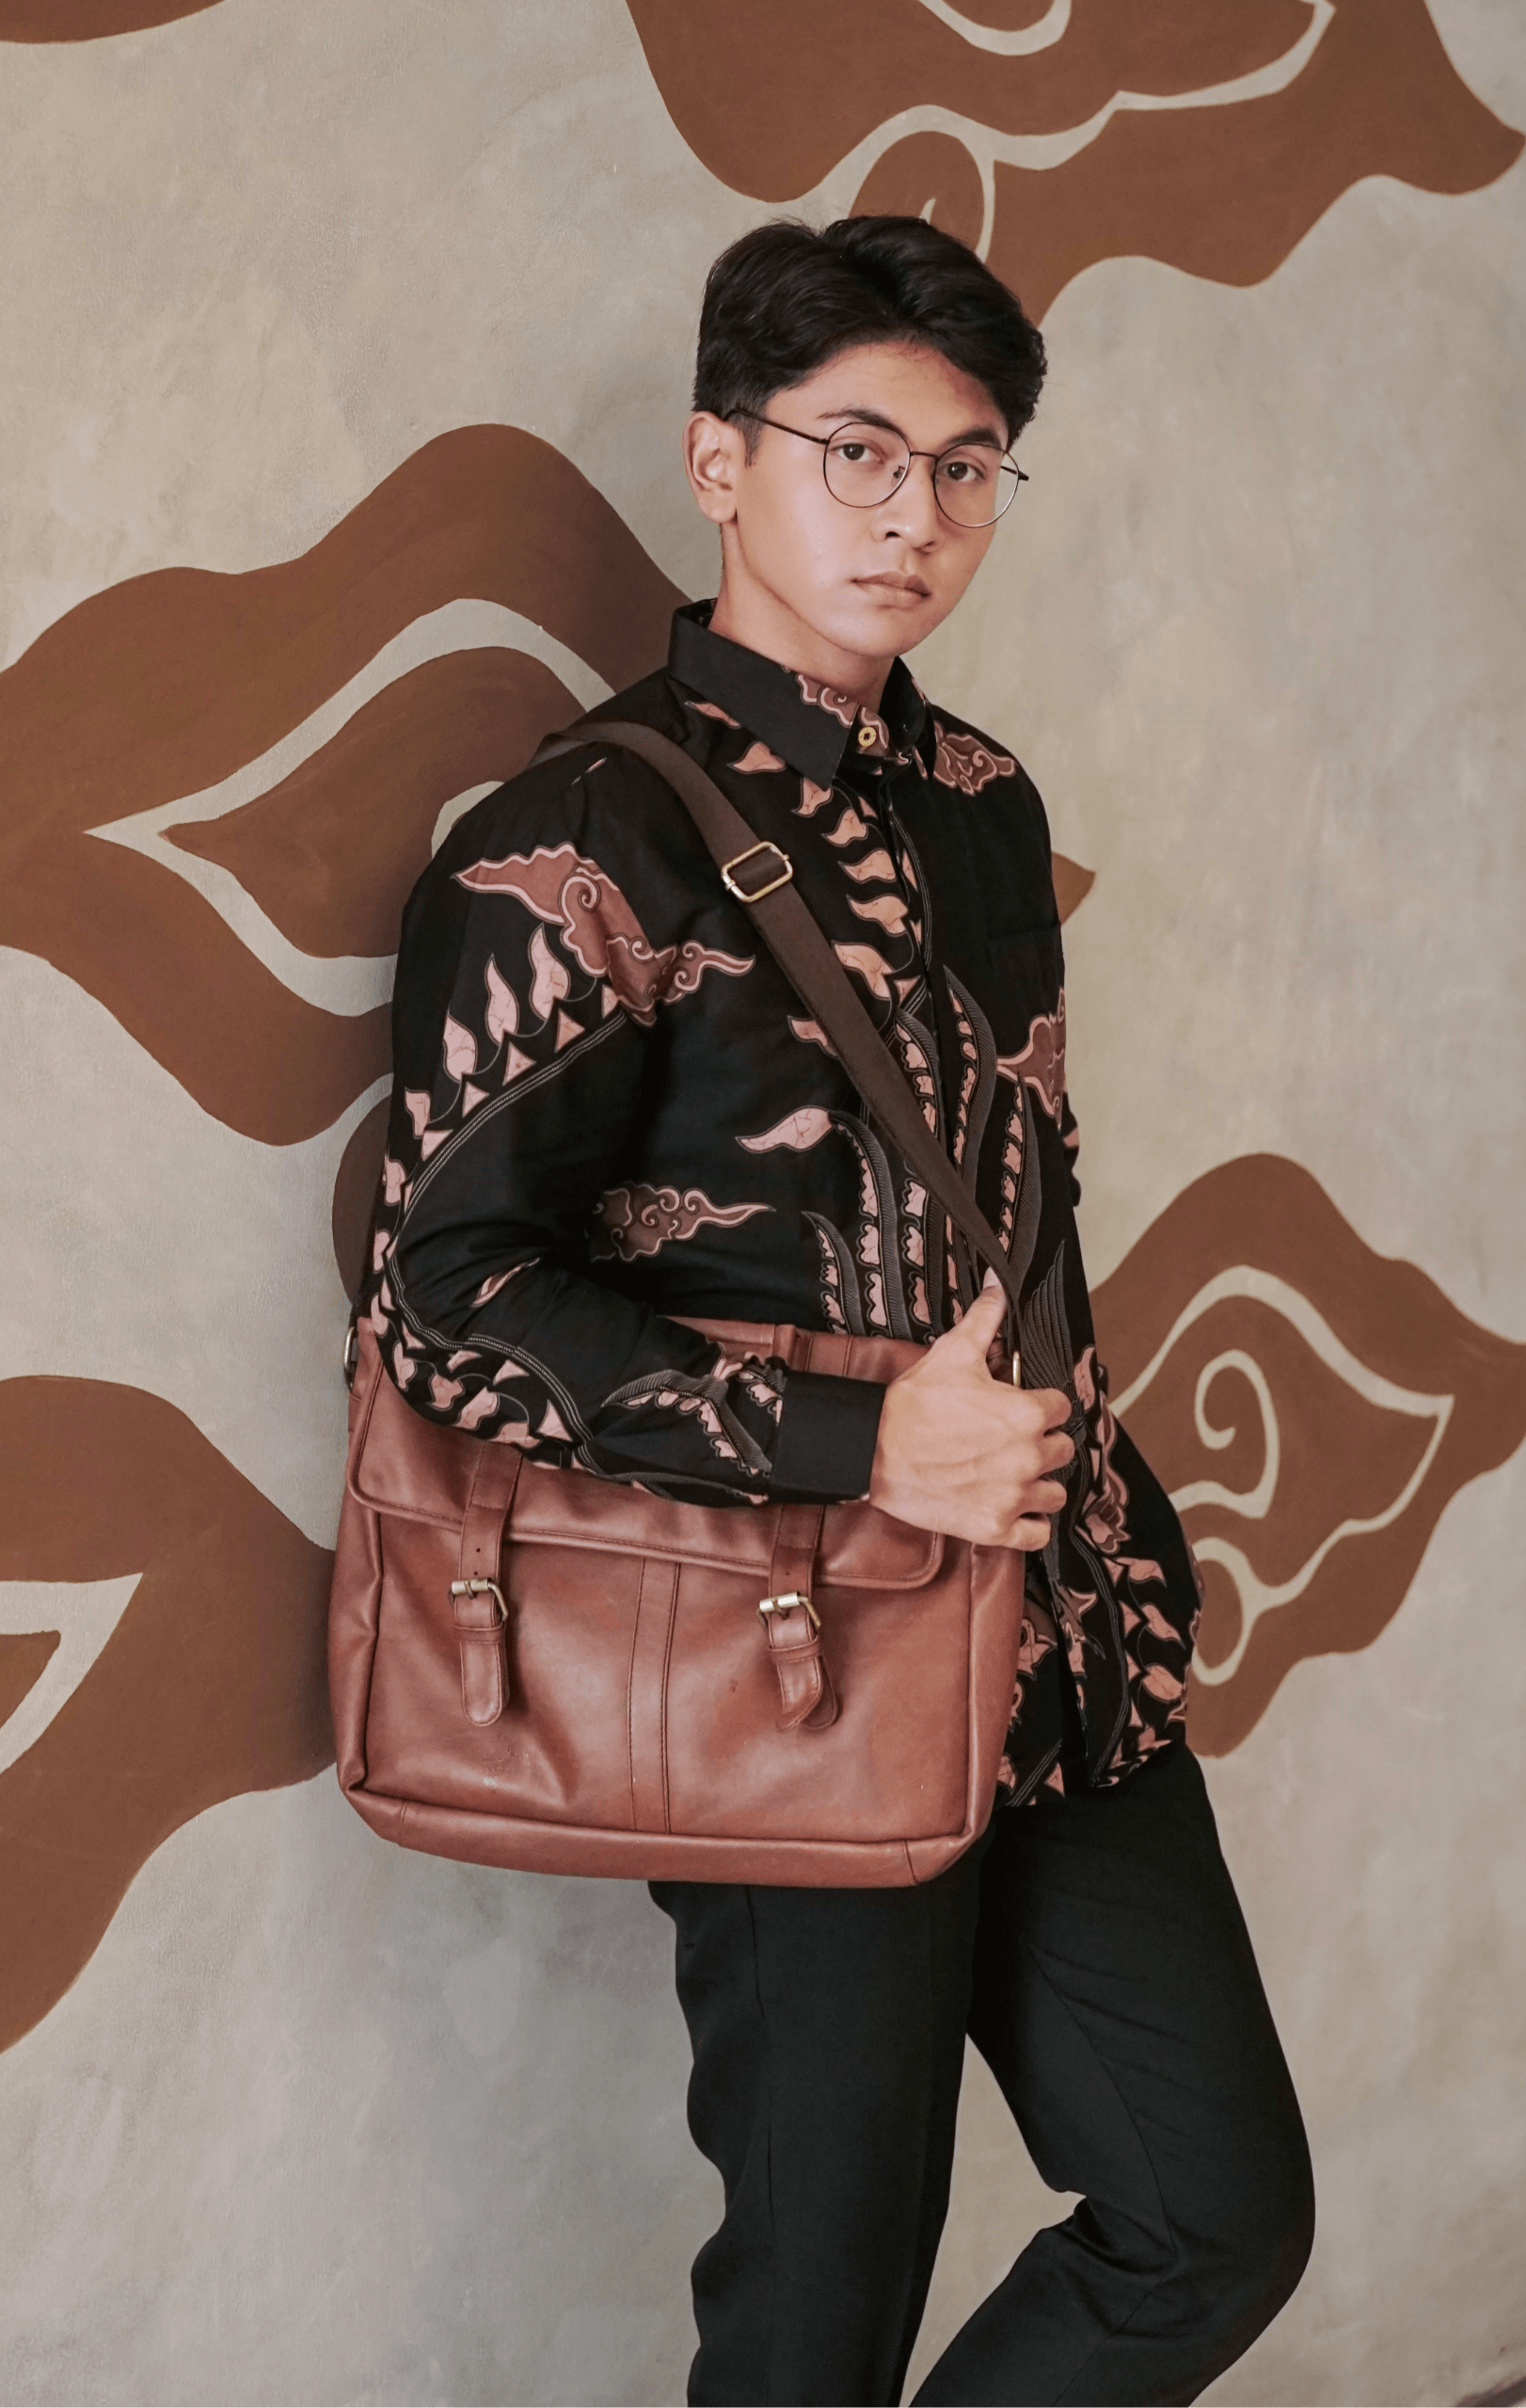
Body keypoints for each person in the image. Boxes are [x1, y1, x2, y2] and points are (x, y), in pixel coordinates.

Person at [367, 216, 1314, 2407]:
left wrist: (1094, 1517)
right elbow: (447, 1295)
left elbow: (1025, 1196)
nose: (913, 516)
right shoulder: (572, 832)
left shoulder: (984, 806)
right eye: (856, 452)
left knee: (1212, 2215)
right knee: (816, 2330)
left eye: (967, 468)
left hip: (1051, 1629)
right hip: (776, 1651)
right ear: (721, 460)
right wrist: (861, 1443)